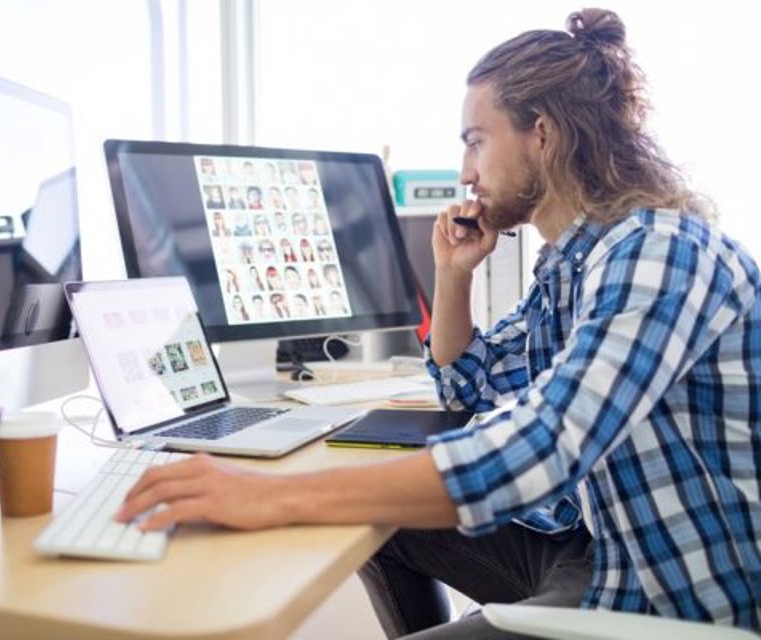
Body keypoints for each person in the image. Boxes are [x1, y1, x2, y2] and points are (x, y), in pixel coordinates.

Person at [115, 8, 761, 637]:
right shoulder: (573, 264)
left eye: (476, 142)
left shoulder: (660, 251)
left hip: (662, 592)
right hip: (589, 538)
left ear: (543, 132)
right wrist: (454, 277)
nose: (466, 173)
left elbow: (545, 445)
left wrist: (274, 494)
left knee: (357, 499)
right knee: (384, 517)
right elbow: (466, 391)